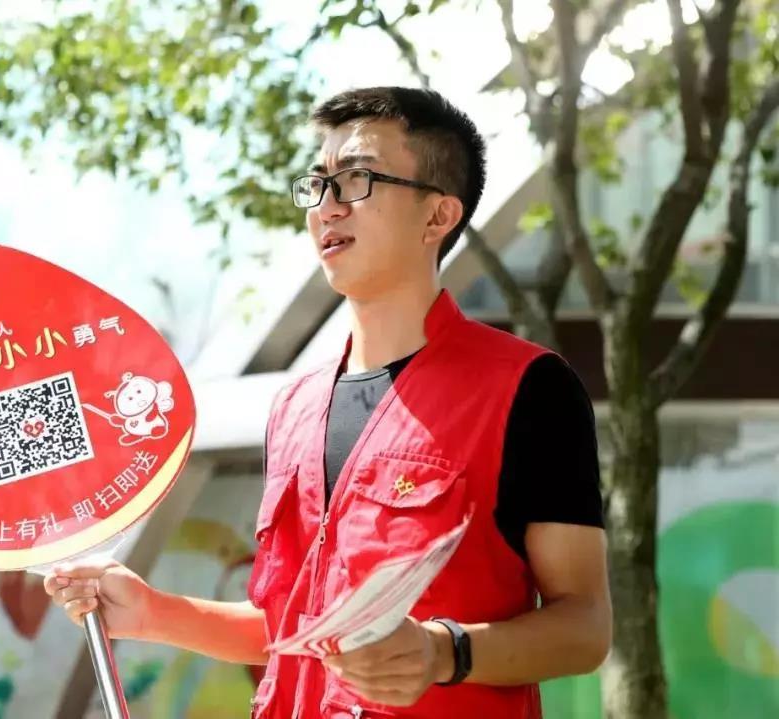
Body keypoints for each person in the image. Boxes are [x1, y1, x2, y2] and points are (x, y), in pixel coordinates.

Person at [45, 86, 612, 718]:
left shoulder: (527, 388)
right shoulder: (295, 407)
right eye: (319, 184)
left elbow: (585, 626)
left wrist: (444, 651)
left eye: (358, 179)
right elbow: (293, 631)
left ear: (437, 217)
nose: (327, 207)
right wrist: (154, 612)